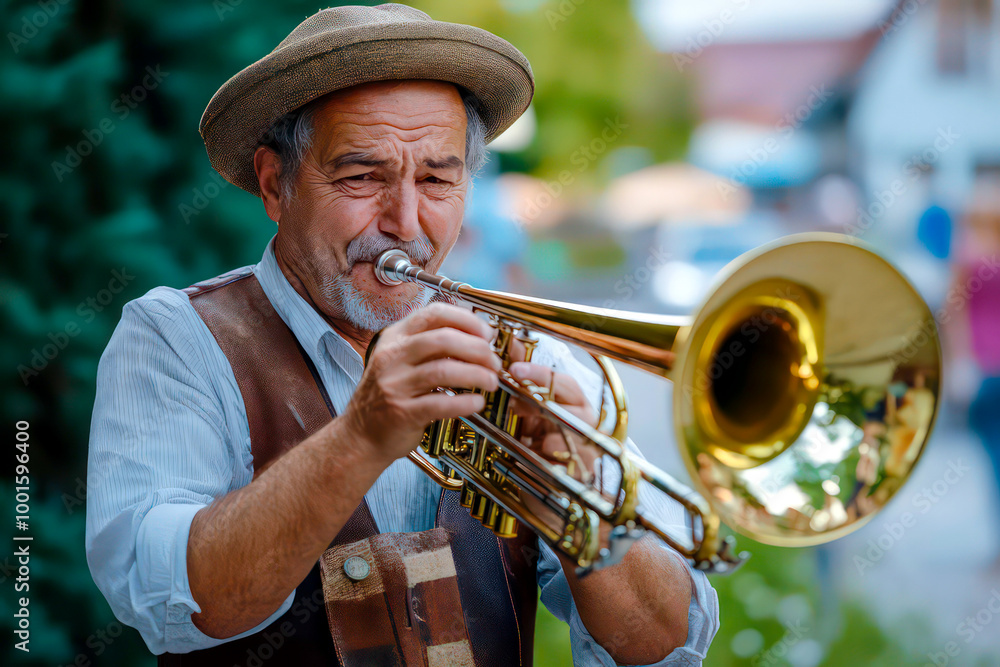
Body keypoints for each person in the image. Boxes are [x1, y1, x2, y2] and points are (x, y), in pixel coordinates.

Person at [85, 5, 719, 666]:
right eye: (362, 176)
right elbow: (176, 604)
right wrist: (360, 436)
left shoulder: (532, 357)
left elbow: (665, 646)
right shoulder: (174, 337)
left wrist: (582, 504)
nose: (405, 221)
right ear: (277, 184)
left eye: (438, 179)